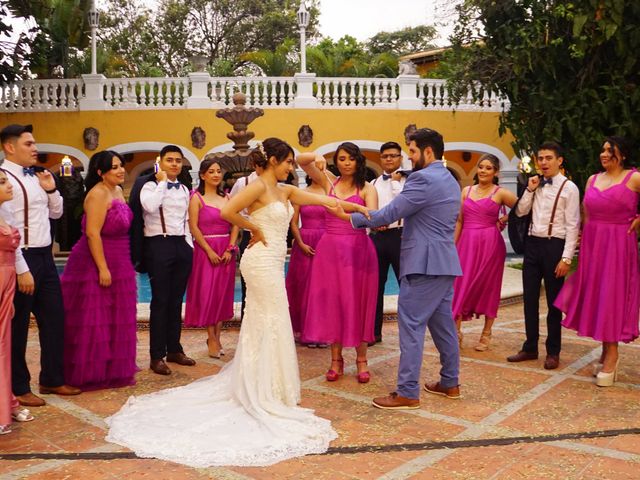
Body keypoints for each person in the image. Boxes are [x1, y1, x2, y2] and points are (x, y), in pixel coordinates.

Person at [106, 137, 368, 467]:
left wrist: (358, 208)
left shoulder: (286, 191)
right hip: (258, 261)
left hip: (273, 261)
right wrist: (253, 228)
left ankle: (270, 386)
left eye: (291, 162)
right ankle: (260, 389)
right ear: (273, 160)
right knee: (270, 317)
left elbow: (330, 205)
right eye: (287, 161)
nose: (291, 166)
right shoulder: (257, 187)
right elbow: (229, 211)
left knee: (271, 320)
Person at [351, 128, 463, 409]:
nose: (408, 158)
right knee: (443, 326)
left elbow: (390, 214)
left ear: (427, 151)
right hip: (445, 262)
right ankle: (450, 383)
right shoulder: (449, 178)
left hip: (423, 264)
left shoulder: (423, 178)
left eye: (412, 151)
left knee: (411, 326)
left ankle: (407, 391)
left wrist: (351, 216)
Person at [0, 124, 80, 407]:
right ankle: (19, 386)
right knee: (18, 326)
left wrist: (51, 189)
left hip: (46, 257)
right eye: (28, 143)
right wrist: (21, 268)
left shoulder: (37, 177)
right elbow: (7, 226)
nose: (35, 148)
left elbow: (56, 212)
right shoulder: (3, 179)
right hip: (22, 257)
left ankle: (52, 378)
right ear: (10, 147)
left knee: (55, 319)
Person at [555, 137, 640, 386]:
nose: (603, 153)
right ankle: (605, 351)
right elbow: (586, 212)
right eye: (602, 150)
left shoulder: (634, 178)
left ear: (622, 154)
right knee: (600, 296)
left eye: (609, 150)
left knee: (612, 296)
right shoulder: (593, 179)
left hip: (619, 245)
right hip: (594, 244)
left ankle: (612, 356)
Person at [298, 142, 378, 384]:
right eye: (341, 158)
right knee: (333, 302)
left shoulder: (367, 188)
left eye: (351, 158)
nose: (346, 163)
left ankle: (361, 359)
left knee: (358, 302)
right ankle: (336, 360)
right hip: (329, 250)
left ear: (358, 161)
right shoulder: (328, 181)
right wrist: (316, 155)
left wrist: (341, 213)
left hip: (357, 250)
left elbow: (371, 219)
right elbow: (301, 160)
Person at [60, 151, 137, 390]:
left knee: (115, 316)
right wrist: (102, 268)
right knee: (94, 318)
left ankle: (111, 369)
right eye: (114, 167)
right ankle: (90, 372)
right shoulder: (97, 194)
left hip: (120, 257)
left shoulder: (116, 191)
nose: (121, 170)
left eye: (121, 166)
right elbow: (92, 233)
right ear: (100, 172)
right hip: (94, 260)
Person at [507, 142, 580, 370]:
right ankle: (530, 347)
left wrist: (566, 258)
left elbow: (573, 225)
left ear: (559, 161)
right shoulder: (534, 185)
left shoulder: (570, 188)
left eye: (549, 158)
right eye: (541, 158)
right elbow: (520, 212)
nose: (544, 162)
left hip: (554, 247)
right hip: (532, 246)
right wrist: (529, 190)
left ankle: (553, 351)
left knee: (553, 303)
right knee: (529, 299)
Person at [139, 145, 195, 375]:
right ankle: (156, 355)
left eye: (178, 161)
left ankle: (174, 348)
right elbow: (150, 207)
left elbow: (187, 219)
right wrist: (162, 181)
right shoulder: (149, 186)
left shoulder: (183, 188)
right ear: (160, 162)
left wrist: (188, 245)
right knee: (160, 301)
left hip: (180, 244)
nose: (174, 164)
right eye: (170, 160)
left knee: (175, 300)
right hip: (158, 243)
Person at [452, 154, 517, 351]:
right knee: (460, 285)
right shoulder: (466, 190)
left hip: (490, 244)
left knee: (489, 286)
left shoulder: (501, 193)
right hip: (466, 243)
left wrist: (504, 220)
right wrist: (453, 246)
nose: (483, 171)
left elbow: (523, 208)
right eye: (481, 167)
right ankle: (456, 331)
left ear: (495, 172)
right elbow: (460, 221)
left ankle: (486, 333)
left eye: (488, 168)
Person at [184, 158, 239, 358]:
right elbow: (194, 227)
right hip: (205, 250)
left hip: (225, 250)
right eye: (211, 171)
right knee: (208, 293)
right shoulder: (196, 198)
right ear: (202, 175)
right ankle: (211, 338)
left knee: (222, 294)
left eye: (218, 171)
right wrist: (208, 250)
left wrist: (231, 248)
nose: (216, 174)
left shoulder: (227, 198)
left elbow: (235, 224)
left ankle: (217, 336)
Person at [0, 169, 34, 434]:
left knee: (5, 344)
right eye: (2, 182)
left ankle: (7, 401)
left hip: (7, 285)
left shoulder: (5, 212)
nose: (9, 185)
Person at [285, 159, 327, 346]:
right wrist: (300, 243)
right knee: (304, 287)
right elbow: (293, 222)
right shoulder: (300, 193)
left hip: (326, 242)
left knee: (324, 288)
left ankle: (324, 330)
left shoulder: (331, 193)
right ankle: (305, 330)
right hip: (305, 242)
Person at [369, 141, 407, 344]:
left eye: (393, 155)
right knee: (376, 286)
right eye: (385, 156)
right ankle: (375, 333)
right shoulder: (374, 183)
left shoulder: (409, 181)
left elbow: (403, 204)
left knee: (406, 286)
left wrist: (395, 181)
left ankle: (408, 333)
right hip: (378, 238)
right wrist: (374, 225)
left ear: (401, 158)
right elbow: (369, 210)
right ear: (381, 159)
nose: (389, 159)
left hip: (400, 236)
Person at [229, 161, 264, 320]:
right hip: (249, 235)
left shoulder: (276, 183)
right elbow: (232, 208)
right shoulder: (243, 183)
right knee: (247, 280)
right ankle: (247, 319)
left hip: (270, 236)